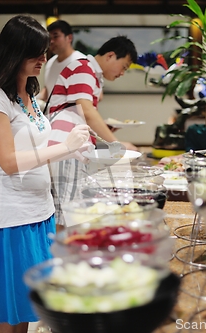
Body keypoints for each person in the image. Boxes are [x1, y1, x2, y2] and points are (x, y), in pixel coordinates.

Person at [0, 15, 91, 333]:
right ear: (14, 53)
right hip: (12, 218)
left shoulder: (30, 99)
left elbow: (41, 144)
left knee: (27, 307)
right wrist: (66, 146)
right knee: (6, 310)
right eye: (36, 53)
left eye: (45, 51)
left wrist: (74, 143)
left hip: (41, 212)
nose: (44, 58)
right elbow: (9, 162)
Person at [46, 35, 137, 227]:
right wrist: (115, 145)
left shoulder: (91, 72)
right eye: (124, 66)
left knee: (70, 210)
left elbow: (80, 111)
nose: (122, 73)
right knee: (67, 214)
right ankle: (61, 254)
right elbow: (86, 111)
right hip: (67, 146)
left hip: (72, 145)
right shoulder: (84, 68)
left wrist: (104, 129)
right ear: (111, 55)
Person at [36, 19, 84, 102]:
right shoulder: (50, 63)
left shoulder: (81, 62)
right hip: (51, 113)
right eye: (49, 38)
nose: (51, 41)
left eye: (56, 36)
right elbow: (48, 91)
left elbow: (97, 95)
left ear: (69, 38)